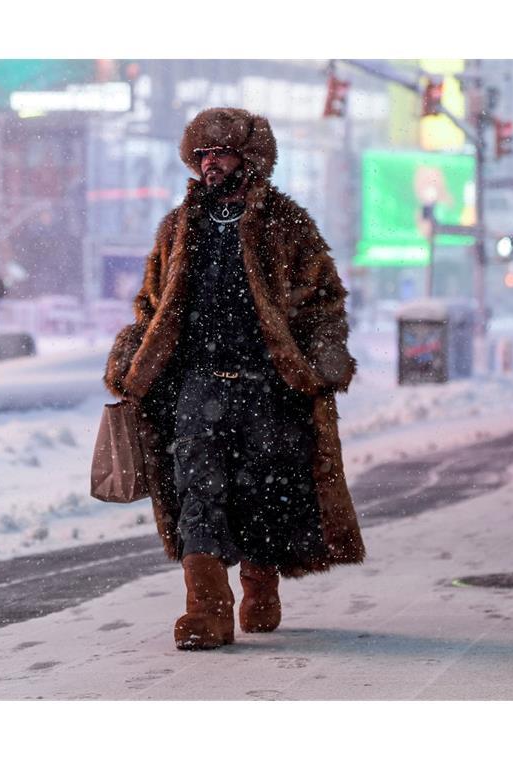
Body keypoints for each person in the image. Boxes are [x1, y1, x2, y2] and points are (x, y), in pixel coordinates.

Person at [103, 108, 365, 650]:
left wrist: (322, 357)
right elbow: (152, 303)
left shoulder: (287, 222)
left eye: (219, 153)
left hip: (266, 385)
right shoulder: (178, 226)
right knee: (197, 491)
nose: (210, 164)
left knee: (261, 494)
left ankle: (259, 586)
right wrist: (131, 355)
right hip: (197, 385)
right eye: (201, 155)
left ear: (250, 158)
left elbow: (323, 302)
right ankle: (207, 610)